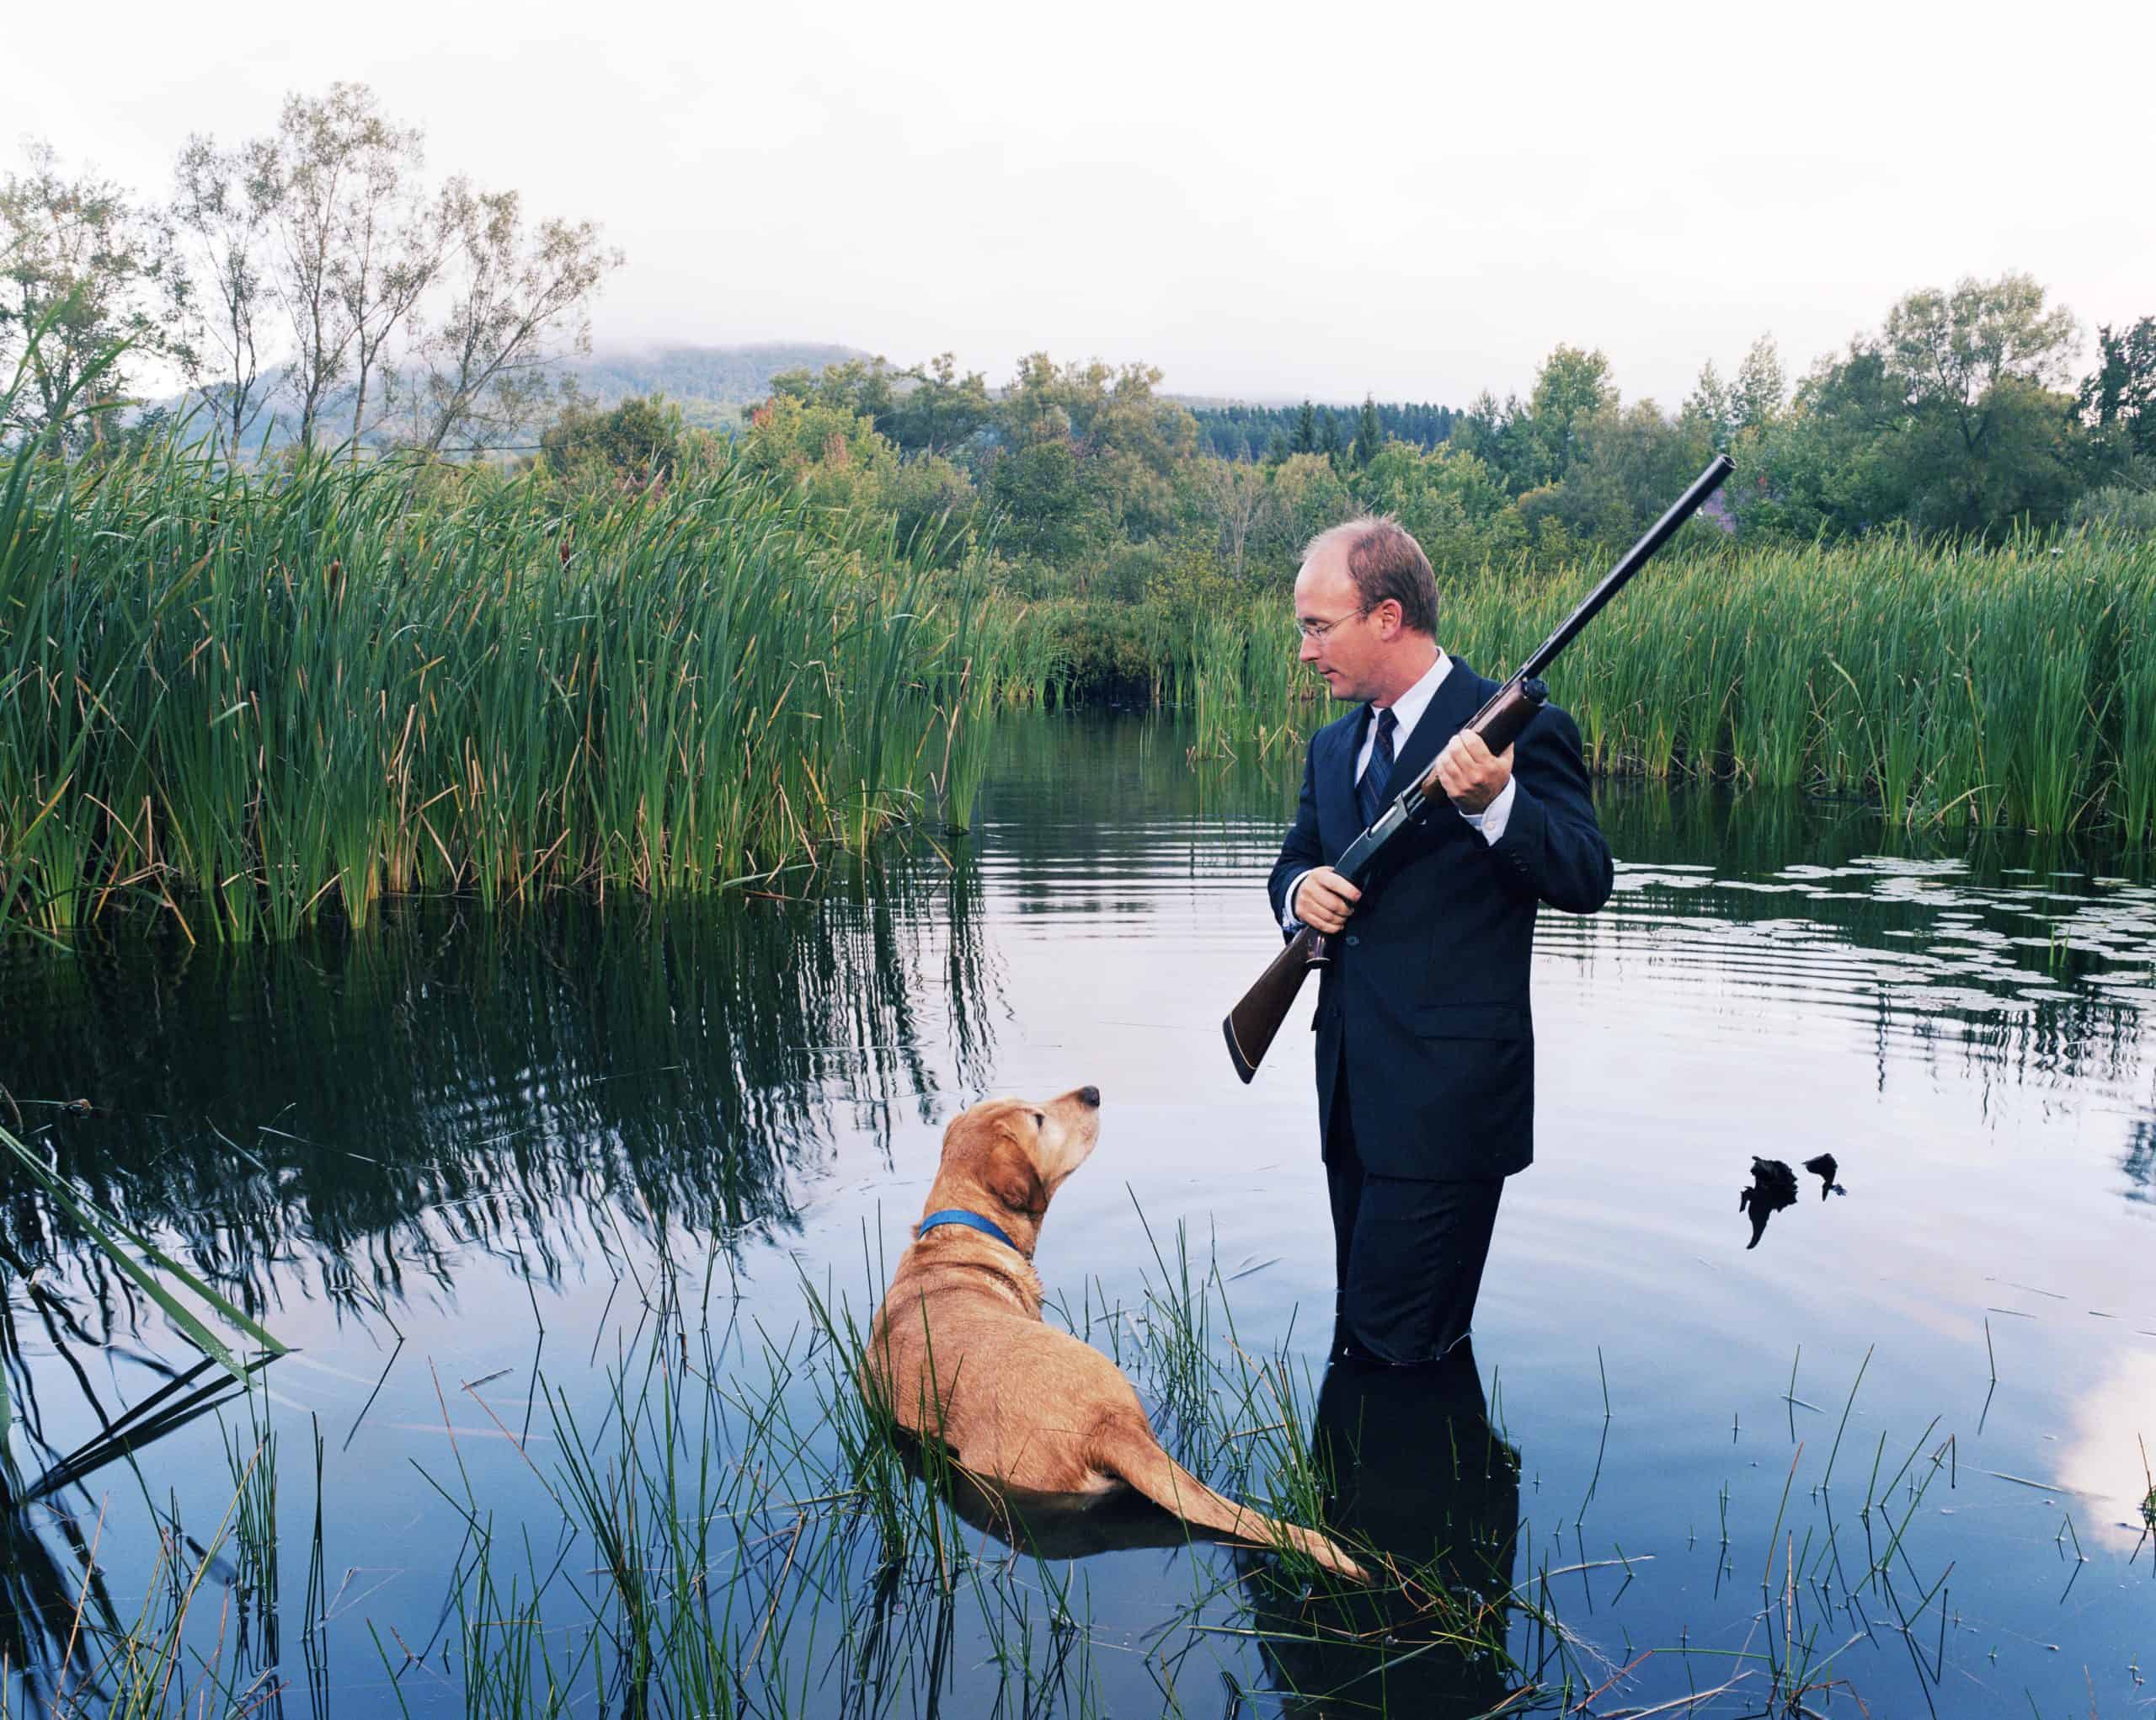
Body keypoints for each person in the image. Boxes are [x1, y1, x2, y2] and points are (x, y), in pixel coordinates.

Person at [1267, 515, 1612, 1367]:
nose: (1306, 651)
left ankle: (1410, 1495)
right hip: (1349, 1093)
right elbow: (1296, 861)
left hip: (1447, 1105)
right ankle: (1375, 1492)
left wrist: (1496, 803)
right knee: (1373, 1332)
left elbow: (1584, 877)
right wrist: (1297, 894)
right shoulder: (1332, 745)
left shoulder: (1519, 729)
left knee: (1399, 1343)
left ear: (1386, 617)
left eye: (1318, 626)